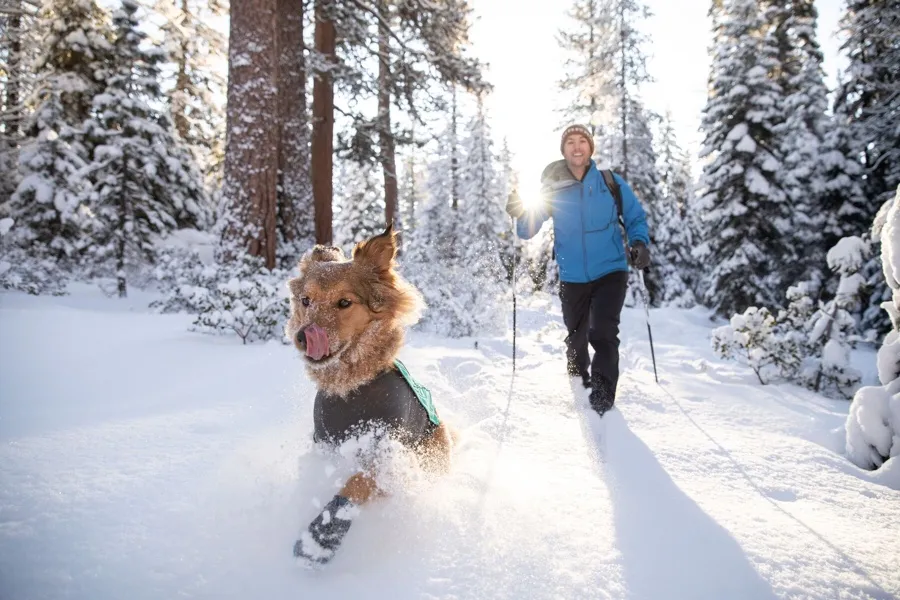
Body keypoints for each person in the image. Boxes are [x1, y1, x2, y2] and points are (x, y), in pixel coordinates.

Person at [506, 124, 650, 416]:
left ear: (590, 148)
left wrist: (639, 242)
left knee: (604, 331)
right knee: (576, 335)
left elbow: (635, 216)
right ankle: (578, 380)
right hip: (572, 275)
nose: (576, 147)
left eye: (582, 141)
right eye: (570, 142)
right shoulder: (555, 188)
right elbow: (527, 230)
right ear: (564, 150)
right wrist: (519, 212)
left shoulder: (610, 182)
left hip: (611, 269)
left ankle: (603, 395)